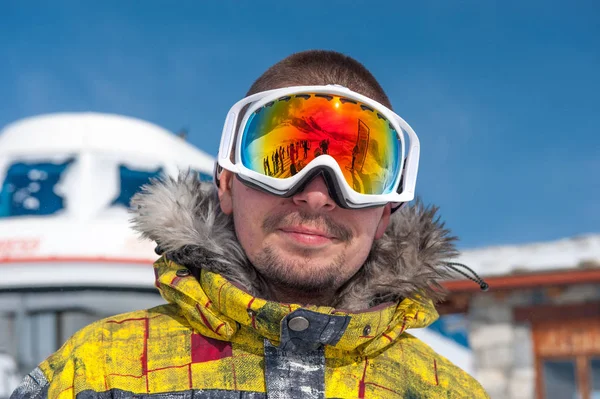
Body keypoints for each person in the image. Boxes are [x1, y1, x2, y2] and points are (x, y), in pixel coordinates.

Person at [11, 50, 489, 398]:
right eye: (283, 158)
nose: (318, 193)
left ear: (385, 212)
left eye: (359, 171)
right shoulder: (94, 374)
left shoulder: (445, 391)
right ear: (225, 182)